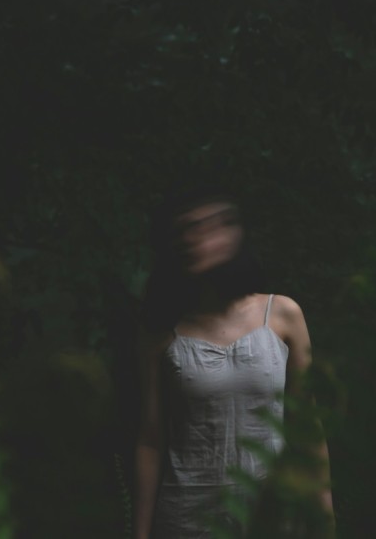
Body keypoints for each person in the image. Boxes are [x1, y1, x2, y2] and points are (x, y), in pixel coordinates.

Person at [133, 183, 335, 538]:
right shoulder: (161, 332)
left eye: (211, 225)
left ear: (236, 233)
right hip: (187, 518)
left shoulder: (282, 314)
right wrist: (139, 533)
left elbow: (307, 429)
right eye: (187, 229)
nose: (197, 238)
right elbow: (150, 440)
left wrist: (325, 520)